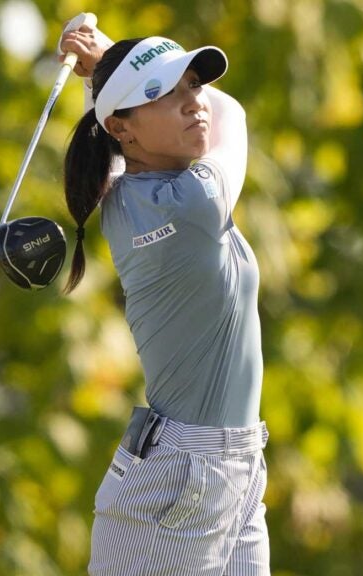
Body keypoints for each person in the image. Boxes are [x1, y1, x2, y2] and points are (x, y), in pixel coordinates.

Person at [58, 21, 269, 576]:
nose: (192, 103)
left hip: (232, 466)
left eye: (193, 85)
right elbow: (235, 117)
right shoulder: (193, 200)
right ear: (122, 127)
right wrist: (105, 62)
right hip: (181, 478)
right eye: (164, 93)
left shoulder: (130, 193)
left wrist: (103, 72)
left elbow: (127, 127)